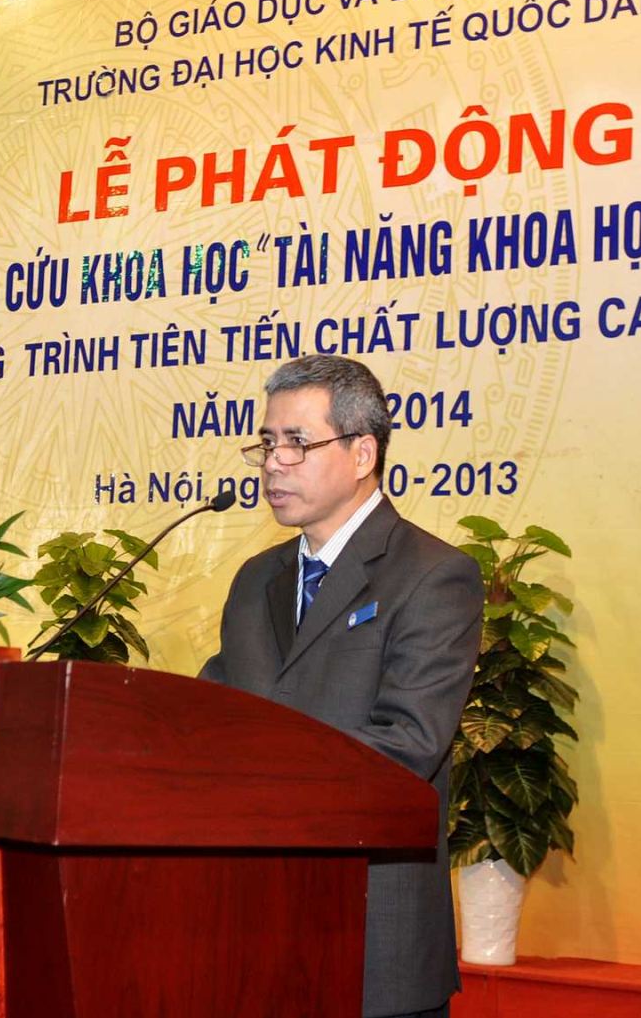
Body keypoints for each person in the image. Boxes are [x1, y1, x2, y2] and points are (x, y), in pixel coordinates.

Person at [199, 355, 483, 1018]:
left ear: (362, 453)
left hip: (371, 941)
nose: (274, 463)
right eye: (267, 442)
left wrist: (260, 772)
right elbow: (211, 718)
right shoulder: (256, 580)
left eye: (297, 442)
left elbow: (408, 743)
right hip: (252, 936)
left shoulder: (432, 575)